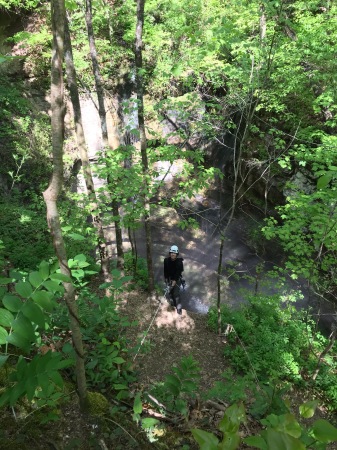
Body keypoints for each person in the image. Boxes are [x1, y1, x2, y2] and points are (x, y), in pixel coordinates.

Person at [164, 245, 184, 315]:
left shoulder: (179, 263)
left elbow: (177, 274)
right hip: (169, 278)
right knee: (170, 293)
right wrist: (166, 281)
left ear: (176, 254)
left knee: (176, 293)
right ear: (170, 253)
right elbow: (165, 271)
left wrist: (172, 285)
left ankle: (179, 309)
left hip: (177, 279)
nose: (173, 254)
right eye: (172, 252)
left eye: (174, 253)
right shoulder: (166, 260)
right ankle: (173, 305)